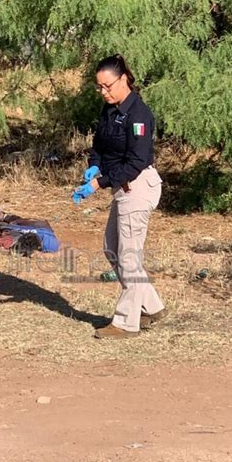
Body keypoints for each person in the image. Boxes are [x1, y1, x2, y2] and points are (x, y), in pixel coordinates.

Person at [72, 54, 166, 338]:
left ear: (124, 79)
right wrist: (94, 165)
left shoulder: (139, 115)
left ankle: (126, 322)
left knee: (127, 255)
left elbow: (136, 161)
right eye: (99, 87)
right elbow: (99, 144)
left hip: (138, 185)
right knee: (112, 247)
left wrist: (99, 184)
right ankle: (150, 306)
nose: (104, 92)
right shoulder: (109, 109)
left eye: (108, 86)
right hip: (121, 186)